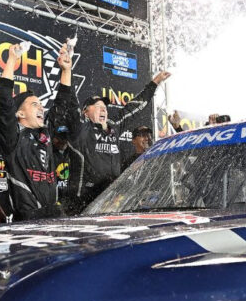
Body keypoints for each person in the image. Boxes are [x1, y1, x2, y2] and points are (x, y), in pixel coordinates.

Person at [65, 71, 171, 213]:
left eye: (105, 107)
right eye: (97, 107)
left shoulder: (113, 125)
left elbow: (134, 107)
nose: (103, 109)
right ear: (85, 112)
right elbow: (68, 100)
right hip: (83, 202)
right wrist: (66, 70)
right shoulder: (80, 129)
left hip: (109, 200)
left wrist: (155, 82)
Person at [0, 42, 75, 220]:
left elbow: (61, 103)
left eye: (41, 104)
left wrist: (66, 70)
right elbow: (4, 99)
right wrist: (11, 60)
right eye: (34, 104)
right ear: (20, 113)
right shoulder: (13, 138)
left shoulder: (46, 135)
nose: (41, 108)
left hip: (53, 216)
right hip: (27, 221)